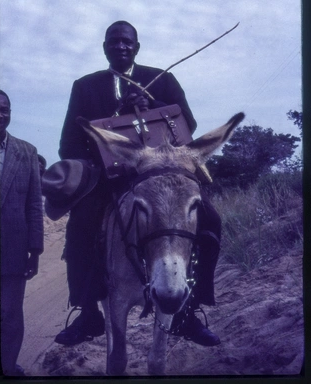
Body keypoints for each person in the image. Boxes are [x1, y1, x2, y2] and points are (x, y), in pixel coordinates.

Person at [53, 20, 221, 347]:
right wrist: (100, 161)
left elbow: (188, 125)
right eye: (113, 42)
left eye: (126, 42)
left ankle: (191, 310)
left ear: (137, 47)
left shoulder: (163, 80)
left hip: (159, 177)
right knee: (81, 224)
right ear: (104, 48)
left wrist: (152, 106)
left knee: (210, 219)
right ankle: (87, 312)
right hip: (109, 180)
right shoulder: (85, 86)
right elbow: (68, 144)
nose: (120, 46)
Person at [0, 89, 44, 376]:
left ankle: (6, 367)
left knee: (10, 315)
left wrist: (36, 251)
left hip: (13, 250)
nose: (0, 115)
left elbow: (34, 207)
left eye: (5, 109)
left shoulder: (26, 152)